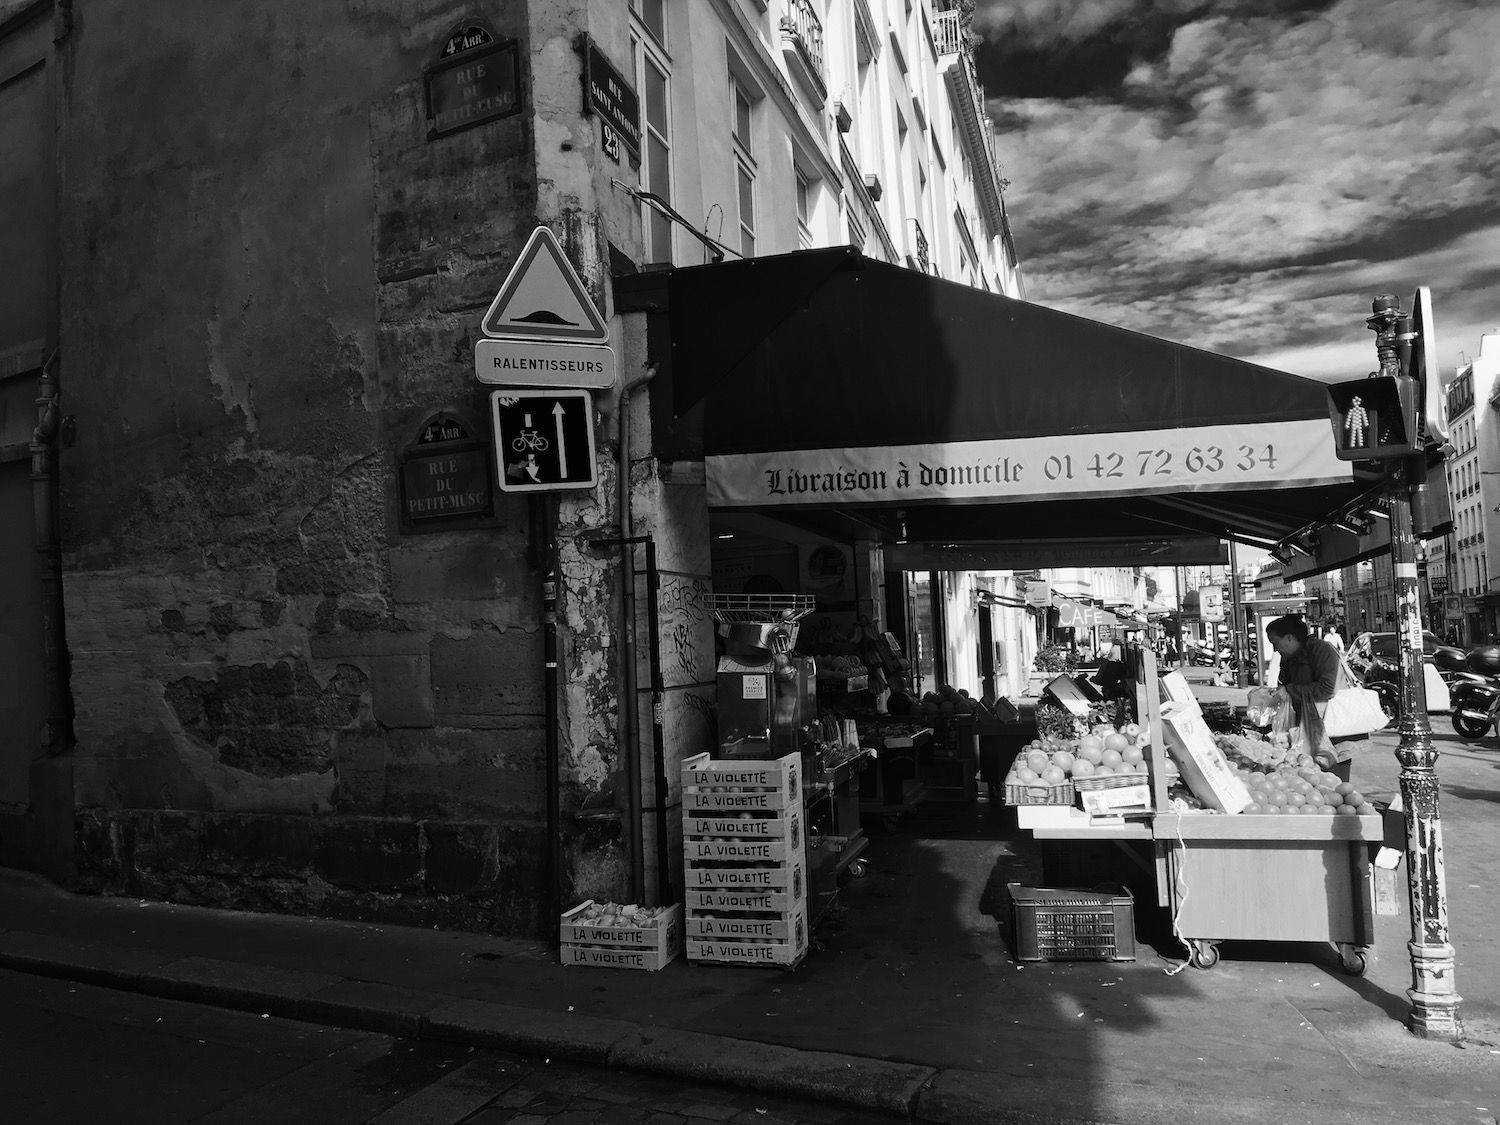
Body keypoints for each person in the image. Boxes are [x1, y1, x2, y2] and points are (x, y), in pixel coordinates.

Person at [1266, 614, 1363, 781]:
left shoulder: (1322, 650)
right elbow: (1287, 684)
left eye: (1275, 642)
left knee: (1333, 785)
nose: (1275, 649)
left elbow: (1327, 689)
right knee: (1307, 783)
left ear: (1289, 638)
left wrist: (1289, 690)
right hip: (1306, 729)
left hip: (1331, 732)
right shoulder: (1289, 657)